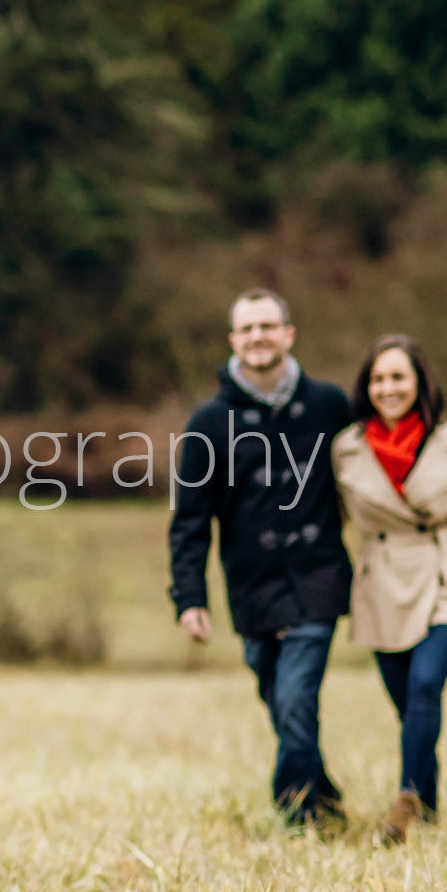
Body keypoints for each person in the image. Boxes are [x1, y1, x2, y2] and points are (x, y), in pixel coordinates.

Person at [169, 289, 356, 830]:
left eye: (268, 326)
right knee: (277, 697)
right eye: (247, 328)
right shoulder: (208, 422)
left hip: (317, 577)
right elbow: (190, 520)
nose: (258, 336)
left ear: (288, 334)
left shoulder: (328, 405)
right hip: (251, 587)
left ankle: (296, 809)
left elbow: (363, 477)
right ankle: (323, 789)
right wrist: (189, 598)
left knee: (296, 696)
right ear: (234, 341)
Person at [332, 335, 447, 845]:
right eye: (379, 379)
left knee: (425, 684)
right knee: (408, 706)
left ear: (419, 383)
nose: (388, 388)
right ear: (367, 387)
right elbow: (330, 523)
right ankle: (428, 802)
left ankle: (406, 800)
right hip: (383, 585)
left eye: (398, 377)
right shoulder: (346, 450)